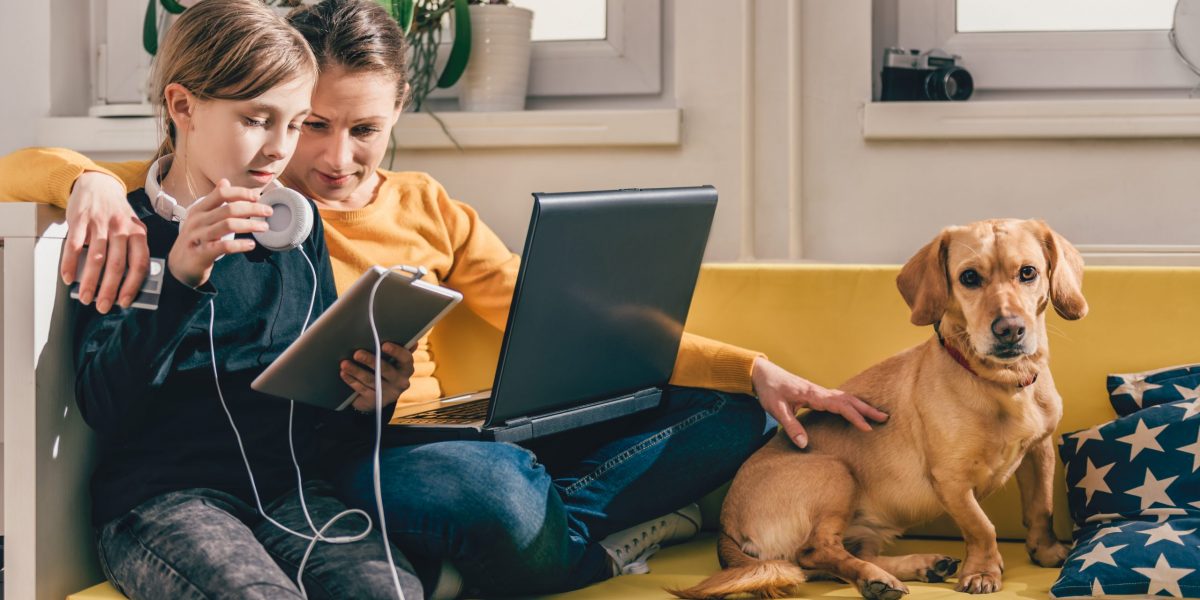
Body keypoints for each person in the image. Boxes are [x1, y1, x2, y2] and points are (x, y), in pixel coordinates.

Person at [0, 0, 888, 596]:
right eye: (306, 123)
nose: (324, 156)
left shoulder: (333, 219)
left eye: (364, 131)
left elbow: (590, 323)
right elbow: (102, 370)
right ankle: (549, 526)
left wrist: (757, 369)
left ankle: (550, 511)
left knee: (727, 419)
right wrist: (93, 189)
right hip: (313, 468)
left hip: (342, 445)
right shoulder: (158, 215)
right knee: (488, 492)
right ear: (194, 109)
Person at [69, 1, 420, 597]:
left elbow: (324, 434)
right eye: (257, 120)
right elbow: (105, 407)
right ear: (183, 107)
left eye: (294, 123)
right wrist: (179, 276)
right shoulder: (129, 233)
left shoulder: (294, 231)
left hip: (290, 494)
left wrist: (369, 398)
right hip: (165, 502)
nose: (279, 149)